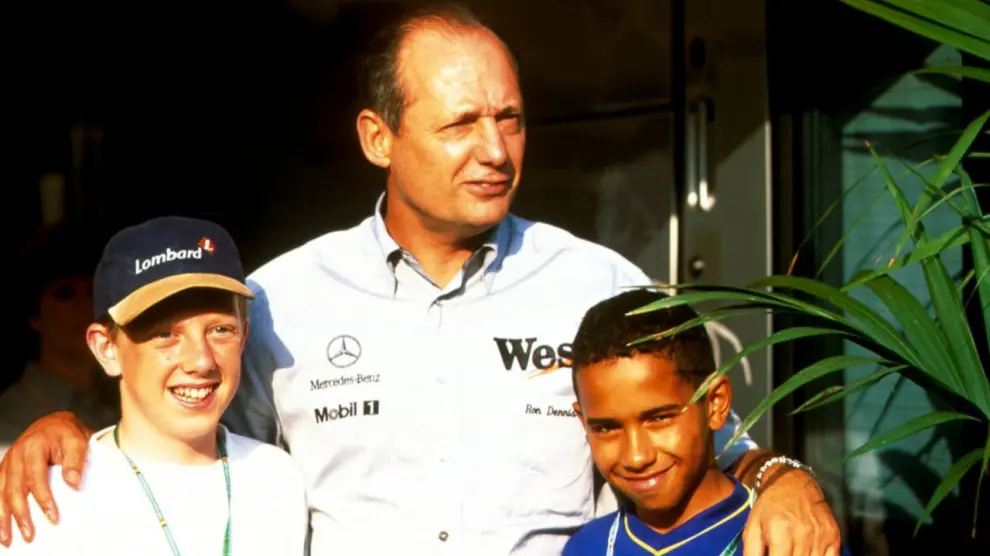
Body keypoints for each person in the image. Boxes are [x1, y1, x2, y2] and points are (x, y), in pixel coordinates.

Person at [0, 4, 840, 555]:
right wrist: (68, 431)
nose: (496, 150)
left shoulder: (599, 284)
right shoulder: (283, 299)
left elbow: (711, 446)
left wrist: (785, 479)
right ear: (378, 138)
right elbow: (191, 445)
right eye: (461, 124)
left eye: (510, 119)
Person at [0, 216, 309, 555]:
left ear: (245, 334)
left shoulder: (278, 478)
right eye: (165, 334)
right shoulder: (46, 496)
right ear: (106, 349)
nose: (201, 360)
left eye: (221, 330)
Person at [563, 290, 849, 556]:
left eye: (659, 418)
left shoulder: (789, 539)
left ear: (715, 403)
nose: (636, 457)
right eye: (606, 428)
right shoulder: (586, 547)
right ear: (583, 422)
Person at [0, 223, 117, 458]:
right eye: (64, 294)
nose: (85, 305)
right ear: (34, 315)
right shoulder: (9, 415)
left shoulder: (129, 399)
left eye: (92, 291)